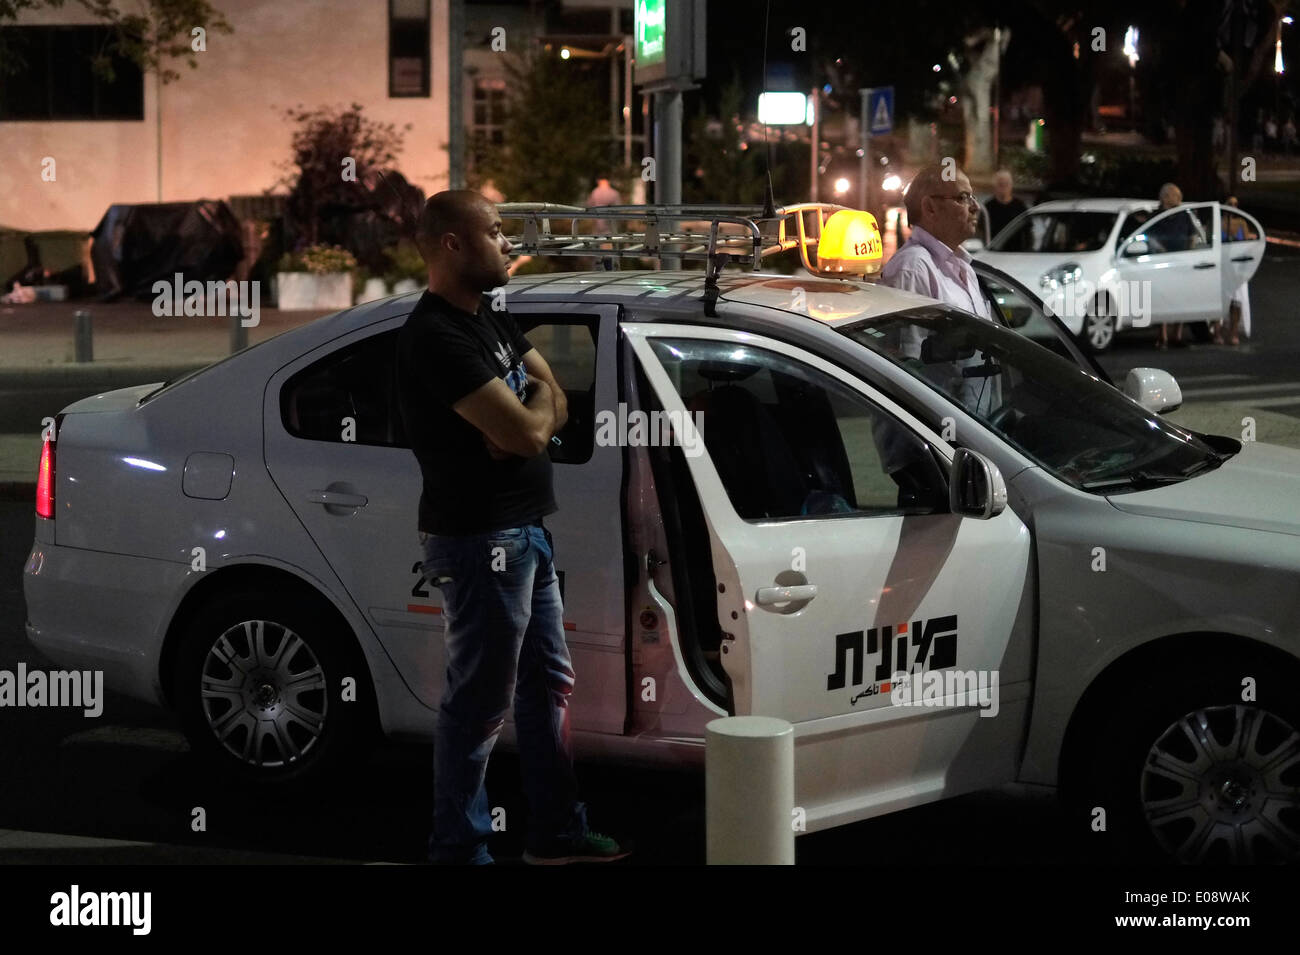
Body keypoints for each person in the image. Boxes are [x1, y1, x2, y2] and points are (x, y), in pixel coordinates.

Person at [394, 190, 629, 866]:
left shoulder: (489, 319)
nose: (507, 243)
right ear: (452, 245)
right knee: (477, 705)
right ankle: (459, 848)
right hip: (480, 541)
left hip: (524, 532)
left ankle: (554, 831)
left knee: (547, 685)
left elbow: (547, 392)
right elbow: (528, 429)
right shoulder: (436, 336)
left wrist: (532, 414)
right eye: (494, 232)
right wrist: (531, 418)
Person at [880, 163, 999, 420]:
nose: (975, 206)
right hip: (935, 442)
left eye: (972, 197)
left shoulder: (962, 267)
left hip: (972, 431)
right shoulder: (912, 269)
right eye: (962, 198)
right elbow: (908, 369)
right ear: (930, 207)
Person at [1214, 195, 1253, 346]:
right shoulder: (1218, 222)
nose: (1233, 206)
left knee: (1237, 301)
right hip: (1221, 266)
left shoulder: (1241, 222)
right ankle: (1217, 332)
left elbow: (1247, 241)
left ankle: (1233, 332)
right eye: (1230, 203)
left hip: (1237, 267)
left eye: (1236, 204)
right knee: (1219, 300)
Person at [1153, 182, 1187, 349]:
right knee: (1163, 298)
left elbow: (1192, 236)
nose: (1178, 199)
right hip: (1163, 262)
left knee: (1181, 298)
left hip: (1182, 261)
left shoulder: (1184, 215)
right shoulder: (1157, 216)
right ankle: (1163, 335)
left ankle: (1177, 335)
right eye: (1175, 196)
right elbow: (1151, 236)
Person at [983, 169, 1028, 243]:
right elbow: (982, 231)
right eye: (1001, 184)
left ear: (1011, 185)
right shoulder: (988, 207)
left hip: (1017, 251)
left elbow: (1028, 230)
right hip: (993, 250)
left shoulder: (1020, 206)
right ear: (995, 186)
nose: (1004, 188)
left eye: (1006, 184)